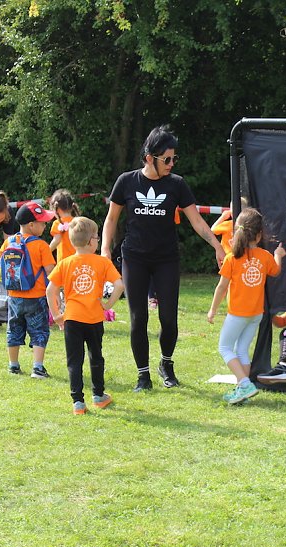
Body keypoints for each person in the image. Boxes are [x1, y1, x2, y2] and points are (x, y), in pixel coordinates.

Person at [101, 124, 226, 391]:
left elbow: (197, 222)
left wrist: (217, 246)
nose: (171, 163)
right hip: (134, 257)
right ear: (149, 158)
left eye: (173, 159)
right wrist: (104, 251)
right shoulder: (127, 181)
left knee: (168, 318)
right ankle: (142, 375)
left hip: (166, 258)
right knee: (139, 317)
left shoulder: (177, 185)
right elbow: (111, 219)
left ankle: (166, 364)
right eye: (166, 159)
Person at [207, 208, 286, 404]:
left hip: (237, 314)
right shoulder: (265, 256)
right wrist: (279, 255)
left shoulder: (231, 258)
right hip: (256, 314)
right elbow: (275, 272)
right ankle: (243, 390)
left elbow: (221, 287)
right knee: (241, 350)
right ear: (259, 236)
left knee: (225, 348)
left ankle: (244, 383)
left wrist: (213, 310)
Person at [47, 217, 125, 415]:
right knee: (96, 356)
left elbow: (50, 290)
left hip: (72, 319)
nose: (98, 241)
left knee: (74, 360)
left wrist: (57, 315)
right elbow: (119, 285)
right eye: (97, 238)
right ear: (91, 241)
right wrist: (107, 305)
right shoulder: (102, 262)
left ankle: (78, 403)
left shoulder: (65, 263)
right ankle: (99, 396)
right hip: (94, 318)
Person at [0, 201, 56, 378]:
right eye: (43, 222)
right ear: (31, 225)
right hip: (36, 297)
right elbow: (51, 271)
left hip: (14, 296)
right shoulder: (41, 245)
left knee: (13, 330)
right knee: (39, 331)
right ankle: (37, 367)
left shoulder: (8, 243)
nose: (45, 225)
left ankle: (13, 365)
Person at [48, 189, 81, 263]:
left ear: (56, 208)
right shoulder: (77, 221)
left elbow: (57, 240)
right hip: (78, 259)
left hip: (64, 262)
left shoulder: (57, 223)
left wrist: (46, 252)